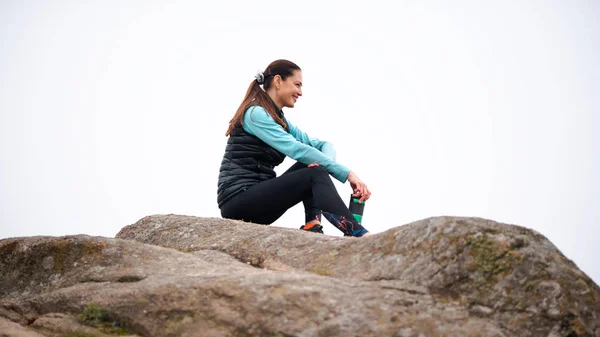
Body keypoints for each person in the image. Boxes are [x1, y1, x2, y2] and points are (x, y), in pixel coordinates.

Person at [217, 59, 372, 237]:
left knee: (315, 165)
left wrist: (326, 165)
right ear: (278, 81)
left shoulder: (279, 121)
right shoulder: (255, 114)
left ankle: (313, 225)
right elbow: (297, 149)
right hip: (238, 201)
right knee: (315, 170)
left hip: (260, 200)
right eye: (297, 85)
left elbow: (323, 146)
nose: (300, 92)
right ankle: (356, 232)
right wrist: (347, 174)